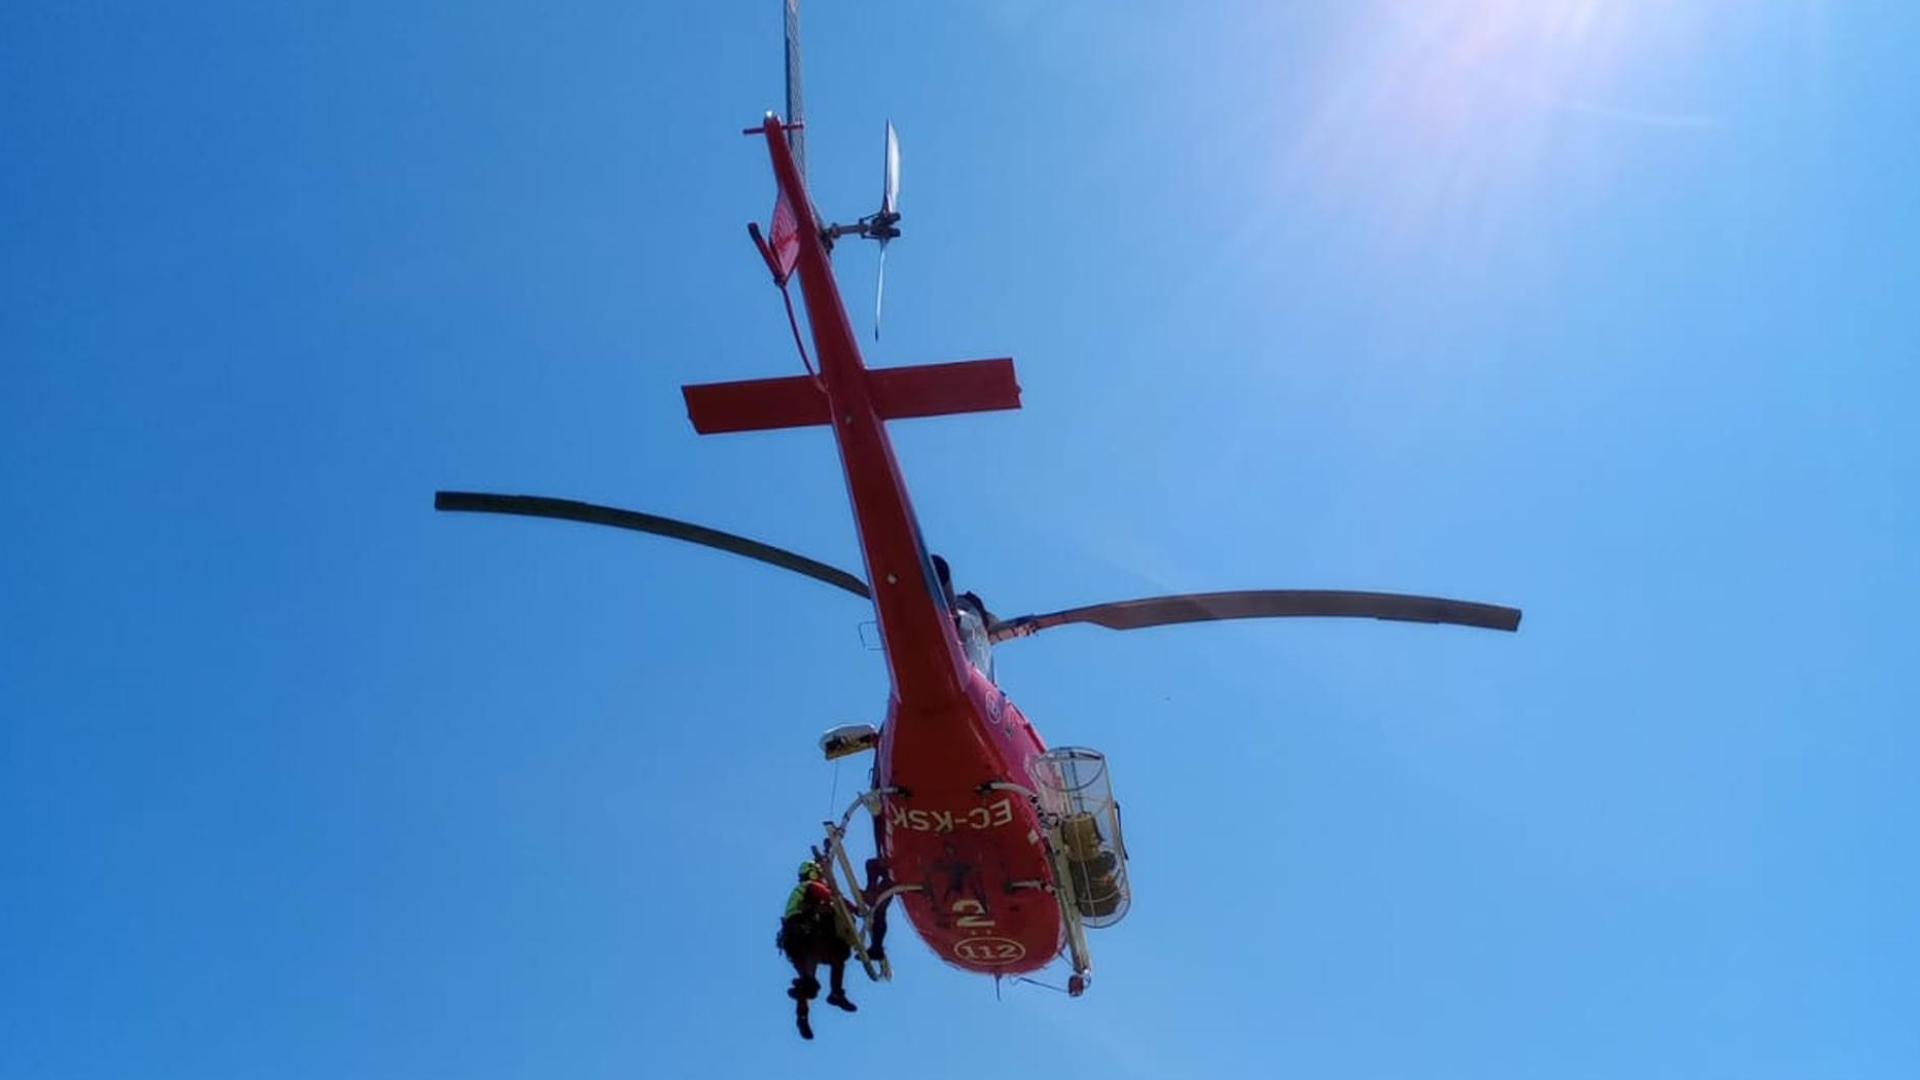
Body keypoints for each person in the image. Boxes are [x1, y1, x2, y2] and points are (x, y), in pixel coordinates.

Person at [777, 861, 856, 1040]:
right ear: (812, 874)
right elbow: (832, 897)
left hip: (793, 943)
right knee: (839, 952)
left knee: (807, 982)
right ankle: (836, 992)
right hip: (807, 937)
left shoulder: (799, 892)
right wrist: (855, 909)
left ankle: (802, 1017)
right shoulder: (811, 886)